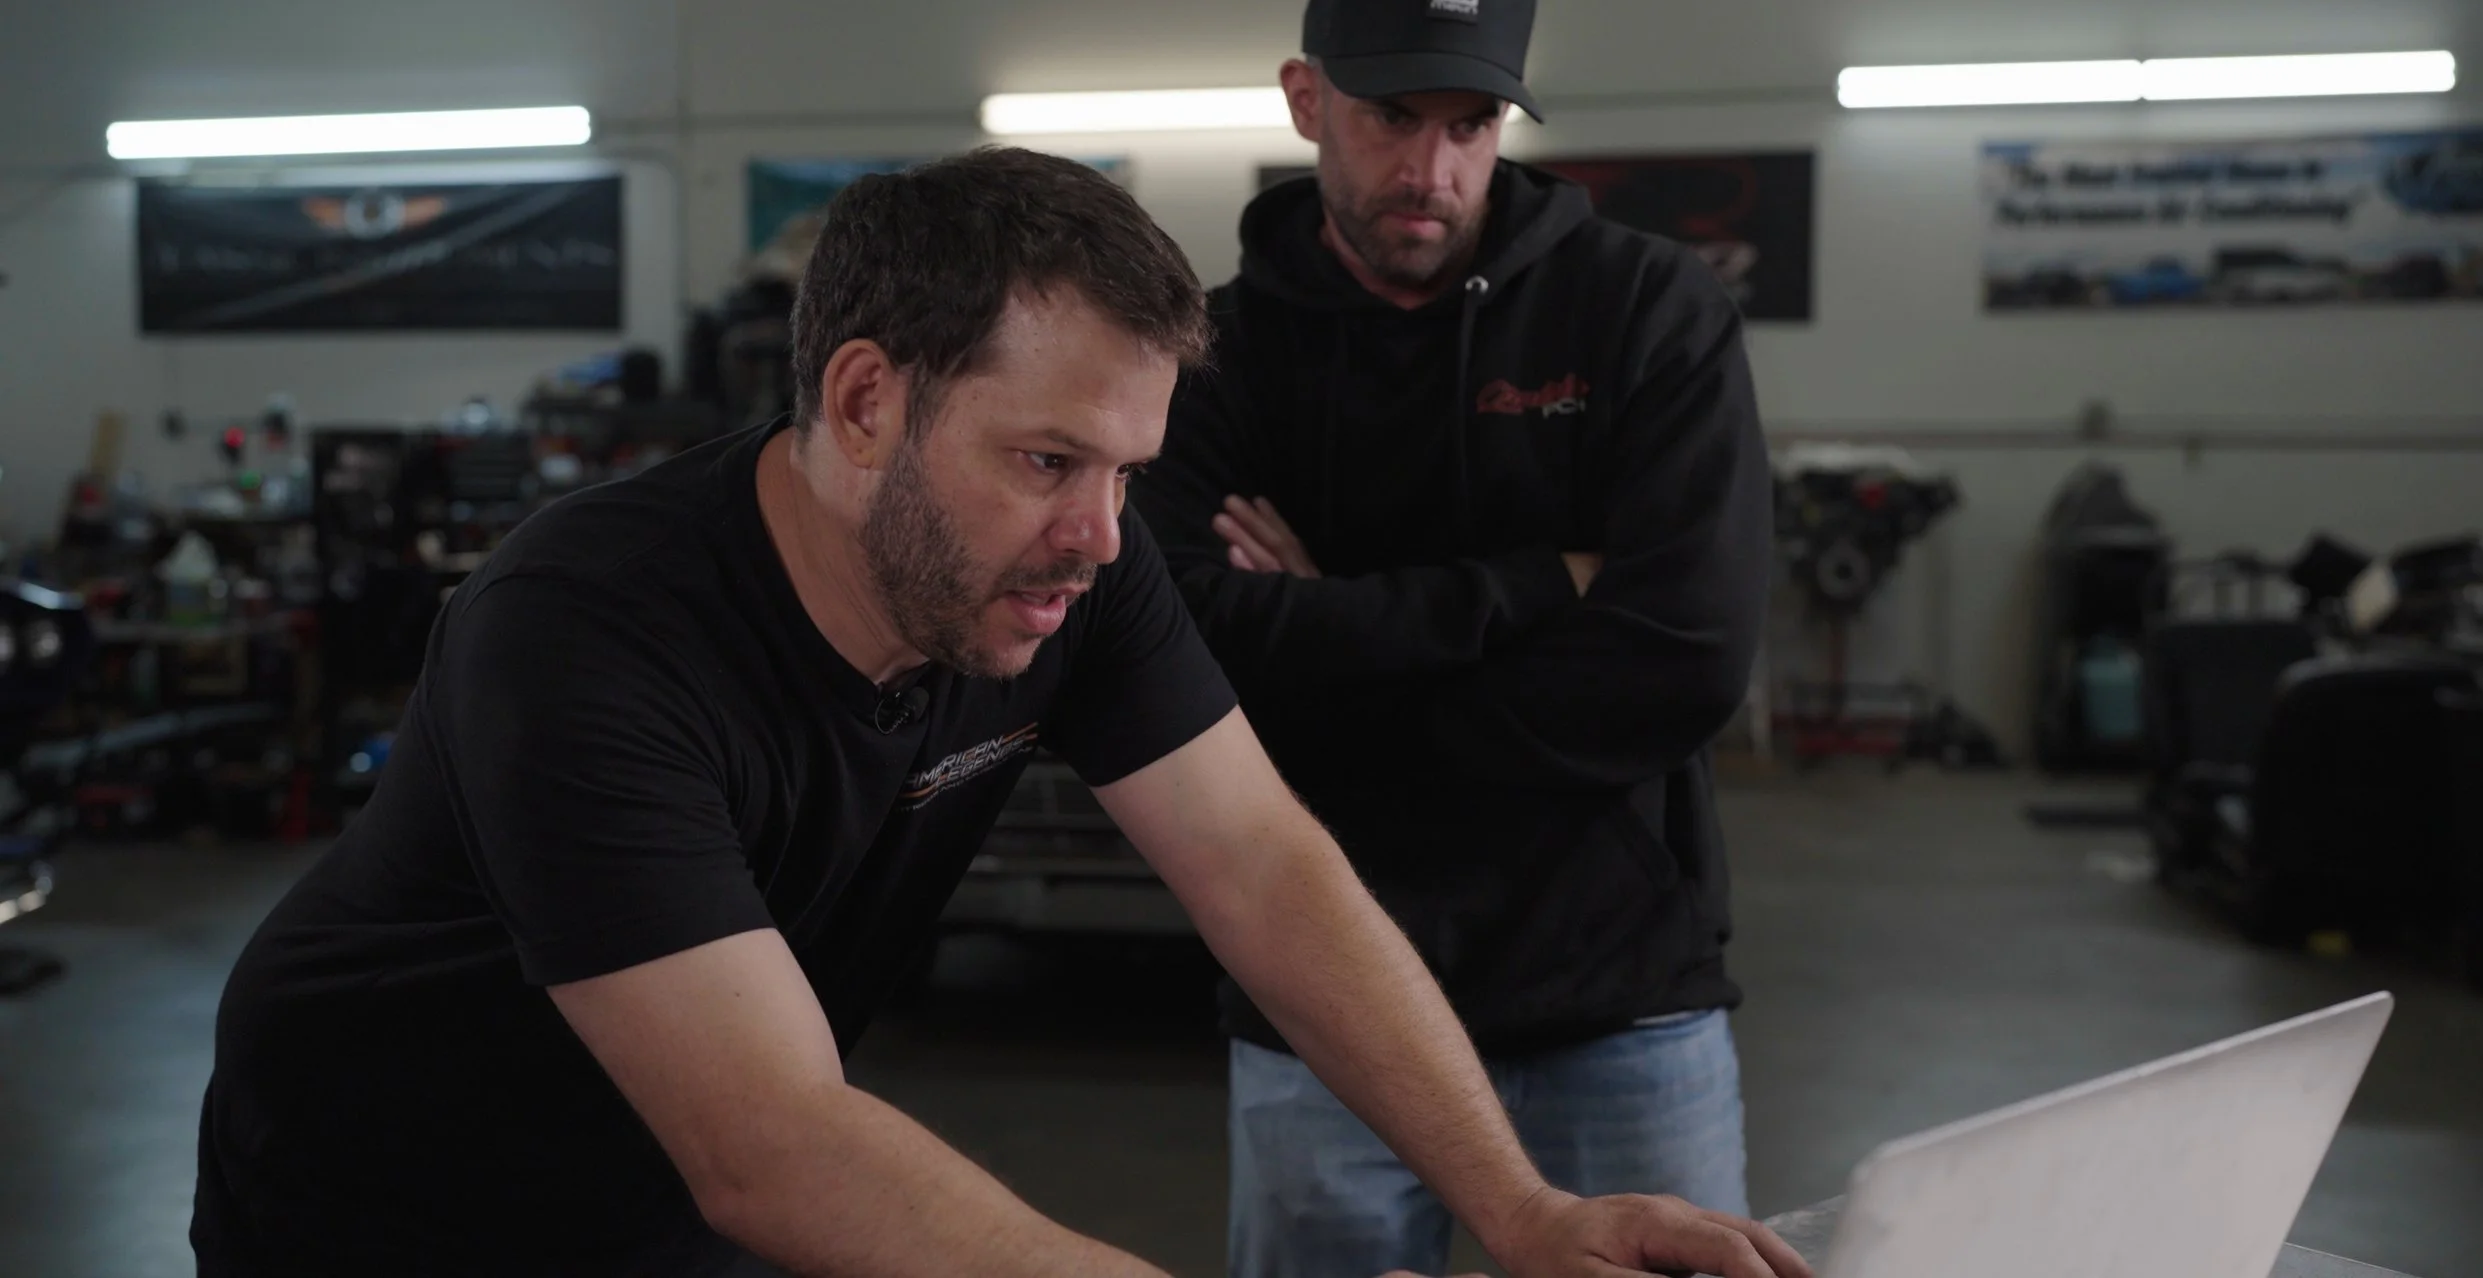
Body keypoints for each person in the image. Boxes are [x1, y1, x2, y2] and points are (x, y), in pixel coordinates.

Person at [191, 148, 1804, 1278]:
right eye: (1046, 459)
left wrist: (1519, 1212)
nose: (1102, 534)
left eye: (1129, 471)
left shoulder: (1070, 571)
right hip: (386, 1211)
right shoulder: (586, 636)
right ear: (866, 398)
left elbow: (1260, 863)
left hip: (696, 1214)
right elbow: (773, 1138)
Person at [1131, 0, 1776, 1278]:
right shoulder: (1214, 355)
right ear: (1307, 99)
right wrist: (1539, 584)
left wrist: (1338, 638)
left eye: (1472, 122)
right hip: (1325, 997)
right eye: (1391, 116)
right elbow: (1187, 648)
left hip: (1620, 998)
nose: (1431, 168)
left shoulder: (1646, 313)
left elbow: (1689, 657)